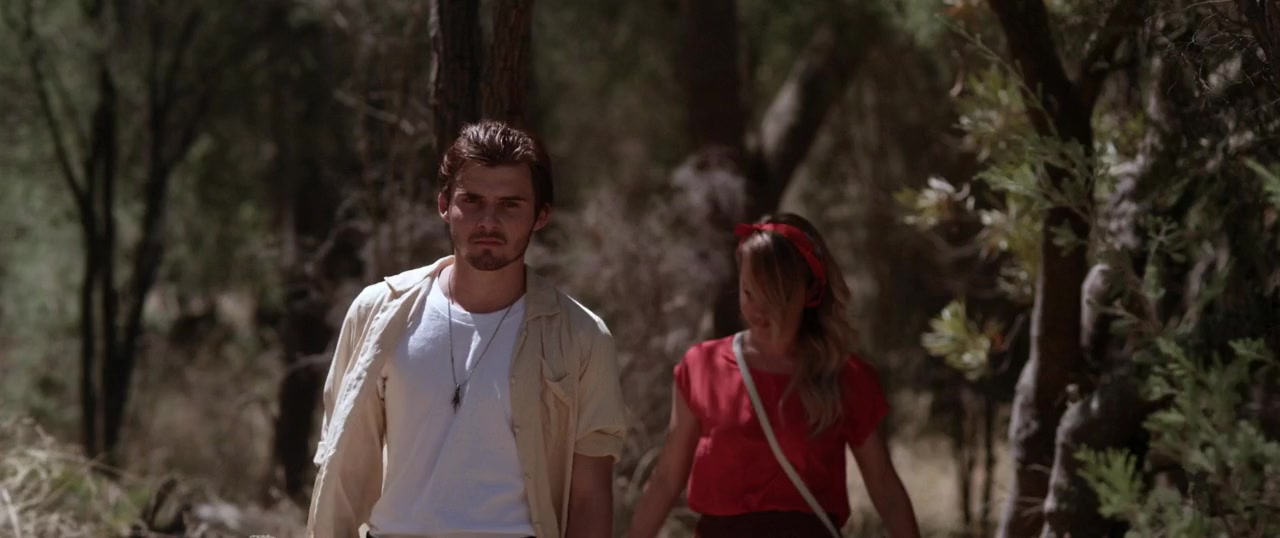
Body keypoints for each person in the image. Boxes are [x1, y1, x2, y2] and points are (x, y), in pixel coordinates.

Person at [307, 121, 626, 538]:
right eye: (472, 200)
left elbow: (589, 499)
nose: (488, 221)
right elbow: (338, 465)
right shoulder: (379, 313)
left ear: (541, 215)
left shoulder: (581, 337)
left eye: (510, 204)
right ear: (444, 204)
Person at [625, 213, 920, 538]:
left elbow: (883, 486)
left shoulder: (845, 377)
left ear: (810, 291)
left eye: (773, 296)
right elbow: (666, 479)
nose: (758, 310)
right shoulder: (701, 367)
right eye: (749, 292)